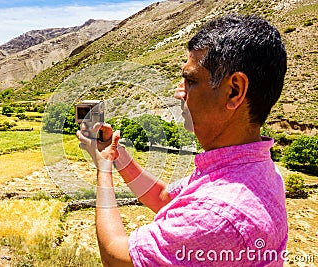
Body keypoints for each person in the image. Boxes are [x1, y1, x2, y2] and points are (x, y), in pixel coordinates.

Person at [77, 14, 288, 267]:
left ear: (234, 91)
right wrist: (115, 154)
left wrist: (103, 168)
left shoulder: (218, 215)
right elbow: (165, 197)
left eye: (190, 80)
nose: (178, 92)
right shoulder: (249, 171)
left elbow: (116, 257)